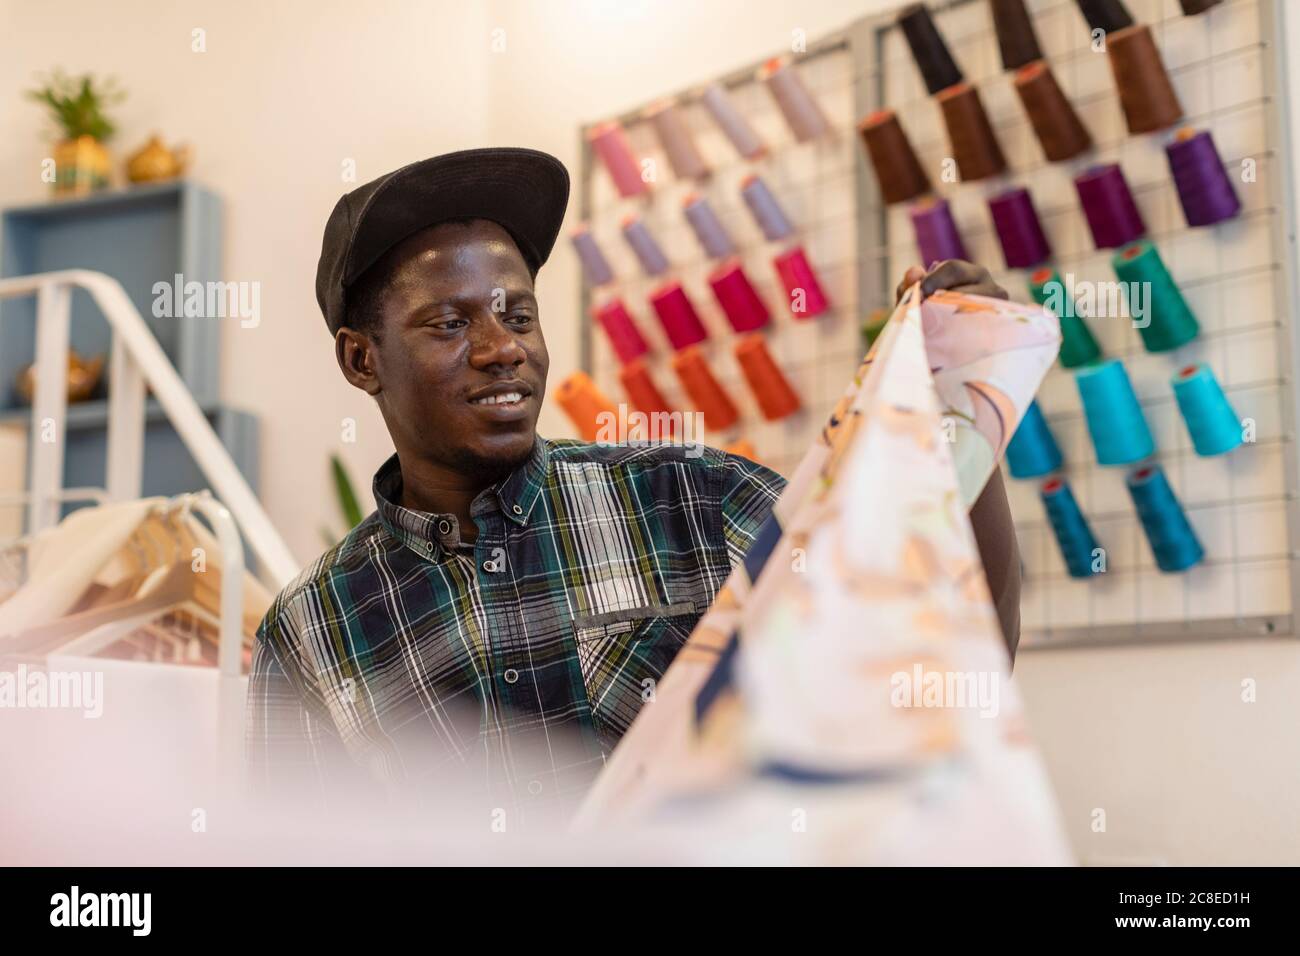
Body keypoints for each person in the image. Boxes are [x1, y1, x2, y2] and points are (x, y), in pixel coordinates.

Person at [245, 147, 1021, 821]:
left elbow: (945, 652)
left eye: (517, 315)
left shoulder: (696, 503)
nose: (500, 349)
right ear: (361, 360)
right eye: (449, 324)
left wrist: (952, 393)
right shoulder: (315, 631)